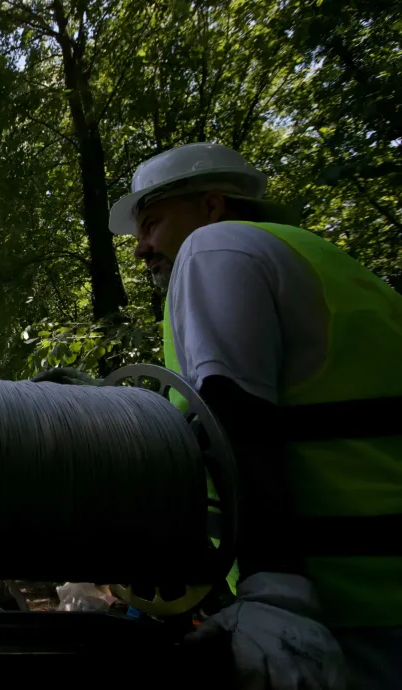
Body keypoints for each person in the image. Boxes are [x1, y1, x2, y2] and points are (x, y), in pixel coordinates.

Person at [107, 142, 402, 689]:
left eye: (151, 224)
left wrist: (276, 593)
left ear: (211, 206)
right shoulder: (335, 266)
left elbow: (236, 413)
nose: (141, 248)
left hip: (341, 607)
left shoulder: (215, 248)